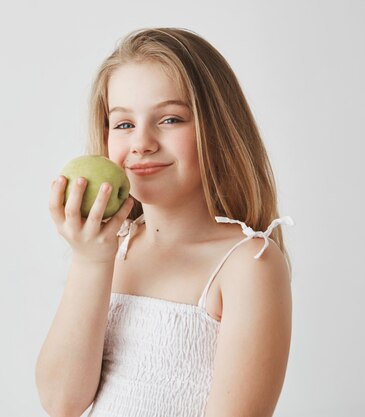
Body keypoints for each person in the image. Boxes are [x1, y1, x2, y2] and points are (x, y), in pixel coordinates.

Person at [35, 27, 295, 417]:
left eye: (170, 119)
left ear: (217, 128)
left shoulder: (248, 264)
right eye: (123, 124)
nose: (141, 142)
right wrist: (90, 261)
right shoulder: (112, 250)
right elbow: (61, 402)